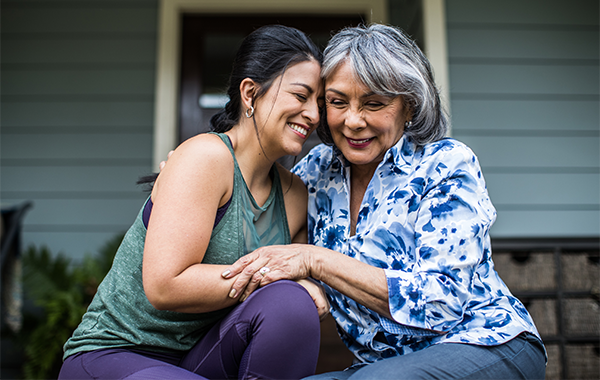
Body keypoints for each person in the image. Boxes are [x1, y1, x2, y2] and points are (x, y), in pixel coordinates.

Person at [221, 24, 547, 379]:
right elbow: (259, 232)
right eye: (337, 102)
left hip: (486, 343)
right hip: (381, 367)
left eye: (374, 103)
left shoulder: (445, 164)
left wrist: (316, 261)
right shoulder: (314, 173)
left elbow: (441, 303)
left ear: (409, 106)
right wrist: (194, 175)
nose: (353, 121)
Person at [57, 24, 329, 380]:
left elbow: (299, 289)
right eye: (300, 95)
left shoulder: (294, 195)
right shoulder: (206, 158)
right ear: (250, 93)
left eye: (319, 103)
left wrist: (306, 286)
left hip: (203, 357)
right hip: (117, 352)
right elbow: (166, 285)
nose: (313, 114)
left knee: (291, 306)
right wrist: (274, 277)